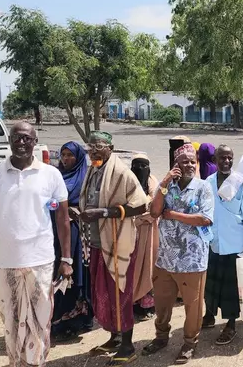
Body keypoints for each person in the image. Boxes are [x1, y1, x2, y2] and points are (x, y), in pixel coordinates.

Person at [0, 122, 73, 366]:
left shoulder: (51, 174)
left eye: (27, 138)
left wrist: (66, 259)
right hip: (5, 262)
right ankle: (16, 362)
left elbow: (63, 218)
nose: (22, 142)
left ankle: (37, 363)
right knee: (10, 321)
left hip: (41, 261)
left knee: (41, 320)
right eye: (17, 138)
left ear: (35, 141)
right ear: (9, 141)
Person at [80, 131, 149, 365]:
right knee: (104, 292)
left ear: (111, 147)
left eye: (99, 146)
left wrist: (104, 213)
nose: (94, 151)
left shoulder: (121, 172)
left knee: (121, 293)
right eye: (91, 146)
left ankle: (128, 346)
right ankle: (115, 336)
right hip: (98, 241)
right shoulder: (93, 170)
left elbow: (140, 206)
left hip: (119, 243)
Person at [142, 143, 214, 365]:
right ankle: (161, 337)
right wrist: (163, 183)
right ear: (176, 165)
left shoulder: (203, 187)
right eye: (185, 162)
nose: (190, 165)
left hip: (192, 260)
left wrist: (172, 214)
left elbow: (205, 219)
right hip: (165, 258)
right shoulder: (167, 187)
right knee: (162, 303)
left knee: (193, 305)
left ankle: (189, 343)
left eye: (193, 161)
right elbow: (154, 212)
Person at [203, 145, 243, 344]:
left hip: (236, 244)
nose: (226, 161)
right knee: (211, 285)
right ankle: (209, 315)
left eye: (229, 158)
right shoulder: (207, 183)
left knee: (230, 290)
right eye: (222, 158)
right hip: (213, 243)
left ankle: (230, 325)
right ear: (215, 159)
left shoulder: (241, 184)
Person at [51, 141, 94, 341]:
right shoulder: (55, 176)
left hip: (79, 234)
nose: (66, 159)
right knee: (57, 272)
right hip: (56, 231)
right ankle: (57, 319)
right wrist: (61, 210)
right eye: (64, 155)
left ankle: (77, 320)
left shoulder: (86, 177)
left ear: (78, 158)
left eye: (70, 155)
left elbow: (94, 202)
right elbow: (46, 201)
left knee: (77, 273)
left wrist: (78, 212)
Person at [131, 154, 160, 321]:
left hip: (150, 233)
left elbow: (154, 208)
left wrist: (137, 215)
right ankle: (134, 301)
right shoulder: (127, 183)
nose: (140, 170)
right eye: (136, 166)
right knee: (134, 267)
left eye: (143, 166)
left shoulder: (153, 183)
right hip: (131, 234)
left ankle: (147, 304)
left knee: (149, 265)